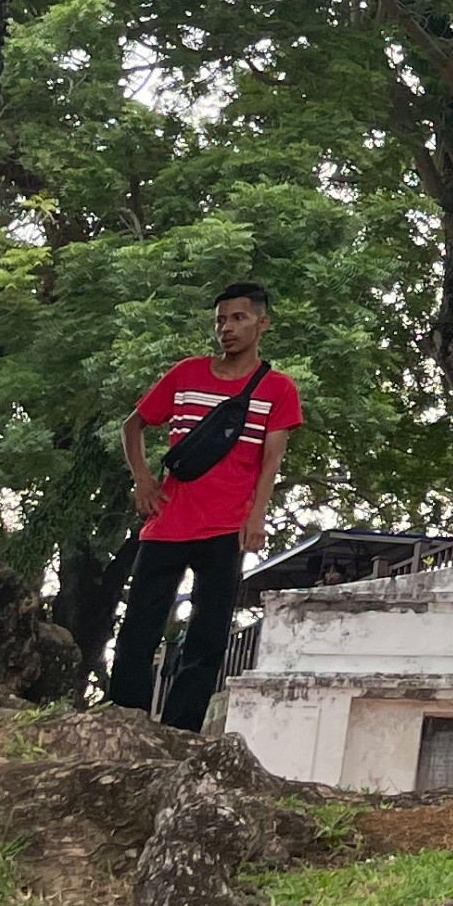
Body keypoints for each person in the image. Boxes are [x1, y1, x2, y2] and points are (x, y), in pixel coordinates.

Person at [106, 281, 302, 729]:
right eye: (220, 320)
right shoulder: (187, 373)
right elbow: (133, 425)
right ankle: (123, 719)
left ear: (262, 323)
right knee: (139, 626)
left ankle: (182, 730)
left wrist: (257, 518)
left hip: (226, 527)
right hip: (167, 520)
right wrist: (143, 480)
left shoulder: (278, 390)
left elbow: (271, 460)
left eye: (238, 318)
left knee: (208, 636)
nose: (227, 329)